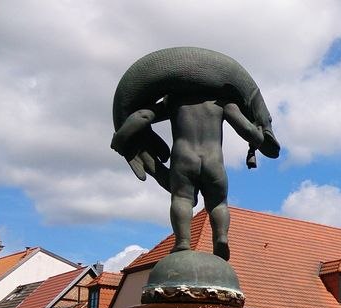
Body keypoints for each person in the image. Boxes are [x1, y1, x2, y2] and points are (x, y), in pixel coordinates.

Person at [111, 92, 267, 260]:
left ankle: (183, 241)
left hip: (184, 159)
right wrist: (259, 134)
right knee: (218, 204)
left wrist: (119, 138)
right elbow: (248, 131)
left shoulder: (174, 100)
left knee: (182, 199)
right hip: (213, 161)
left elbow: (143, 116)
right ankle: (220, 237)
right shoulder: (223, 102)